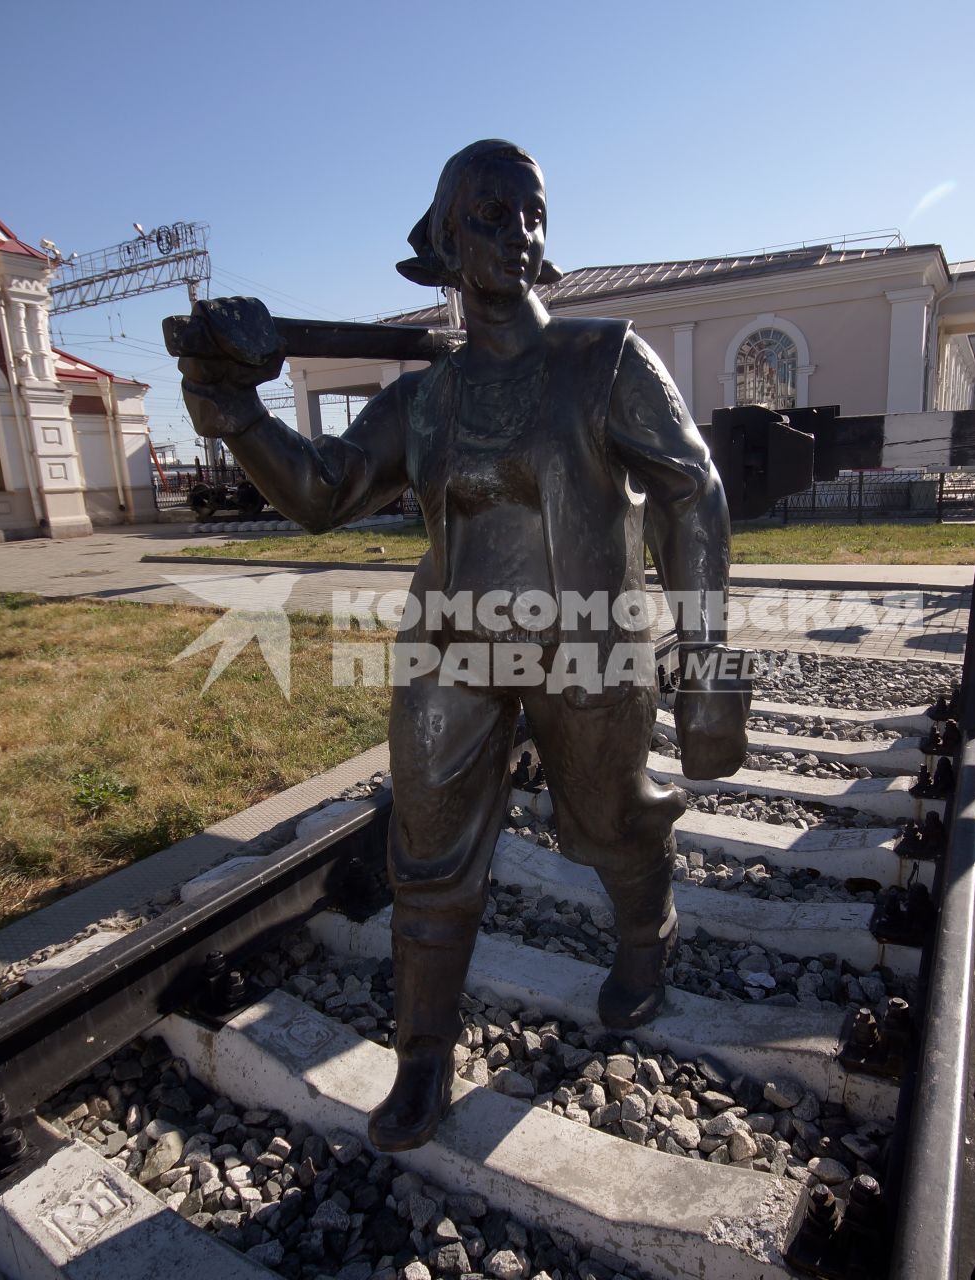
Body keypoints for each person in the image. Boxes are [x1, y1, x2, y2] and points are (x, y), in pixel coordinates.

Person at [178, 139, 747, 1151]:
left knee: (613, 822)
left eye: (532, 212)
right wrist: (238, 417)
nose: (519, 232)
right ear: (445, 243)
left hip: (589, 648)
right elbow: (321, 490)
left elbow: (691, 488)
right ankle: (424, 1056)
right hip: (452, 653)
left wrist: (706, 666)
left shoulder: (603, 357)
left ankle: (644, 933)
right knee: (428, 856)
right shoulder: (425, 398)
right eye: (492, 213)